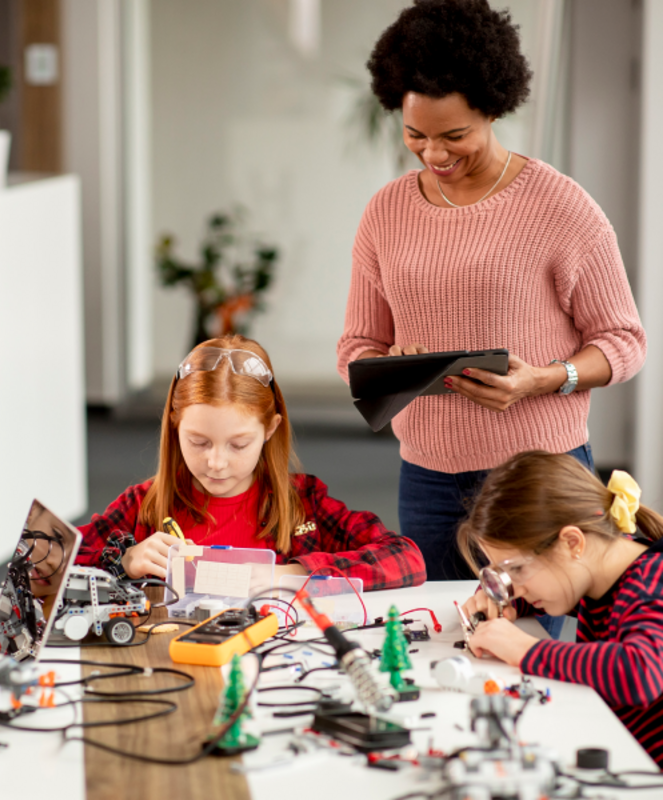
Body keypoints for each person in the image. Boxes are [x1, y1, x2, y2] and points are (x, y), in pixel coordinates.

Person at [337, 0, 646, 581]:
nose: (434, 154)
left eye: (455, 135)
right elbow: (357, 344)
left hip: (536, 475)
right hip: (426, 474)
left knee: (526, 647)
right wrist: (385, 365)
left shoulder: (561, 206)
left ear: (493, 110)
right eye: (415, 135)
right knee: (434, 643)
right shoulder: (385, 212)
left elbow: (623, 340)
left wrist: (543, 379)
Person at [76, 335, 425, 590]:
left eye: (238, 444)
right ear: (174, 424)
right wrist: (124, 562)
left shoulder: (304, 503)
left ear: (271, 429)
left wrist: (291, 573)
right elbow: (45, 566)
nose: (216, 462)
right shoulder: (142, 506)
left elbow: (406, 559)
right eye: (198, 442)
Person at [458, 450, 663, 766]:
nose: (515, 585)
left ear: (572, 542)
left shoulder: (651, 584)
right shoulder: (598, 570)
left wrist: (524, 649)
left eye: (517, 571)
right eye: (502, 572)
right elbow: (550, 581)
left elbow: (639, 673)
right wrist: (502, 598)